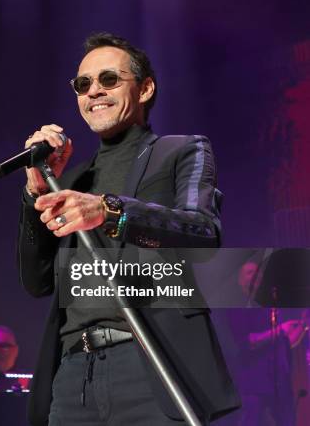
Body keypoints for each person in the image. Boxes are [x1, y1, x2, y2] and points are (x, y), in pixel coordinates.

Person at [17, 33, 240, 425]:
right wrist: (36, 191)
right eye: (83, 84)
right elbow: (36, 282)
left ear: (145, 88)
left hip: (149, 363)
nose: (94, 92)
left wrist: (109, 210)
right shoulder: (73, 180)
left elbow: (204, 233)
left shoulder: (181, 151)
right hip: (73, 377)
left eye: (109, 80)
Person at [228, 261, 307, 426]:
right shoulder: (237, 307)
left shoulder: (270, 306)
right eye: (250, 273)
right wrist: (279, 331)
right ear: (240, 280)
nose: (257, 276)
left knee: (288, 421)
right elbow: (247, 342)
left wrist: (303, 325)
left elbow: (289, 342)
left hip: (280, 381)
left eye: (259, 273)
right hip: (253, 382)